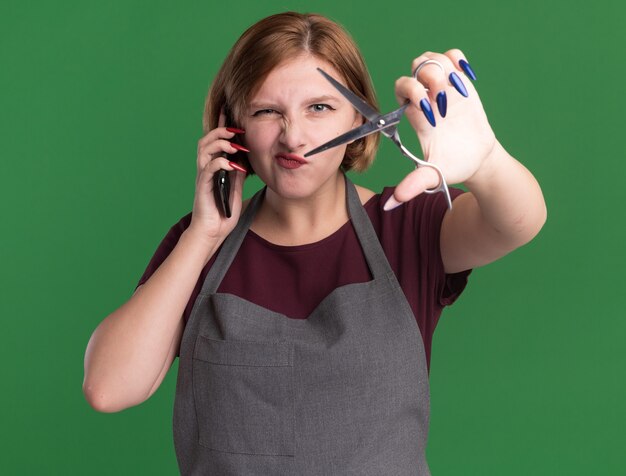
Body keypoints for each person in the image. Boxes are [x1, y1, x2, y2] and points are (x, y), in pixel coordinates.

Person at [83, 11, 546, 475]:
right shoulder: (200, 243)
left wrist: (487, 161)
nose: (294, 136)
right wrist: (203, 235)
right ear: (232, 124)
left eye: (319, 107)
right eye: (267, 111)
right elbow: (108, 387)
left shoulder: (409, 227)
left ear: (359, 115)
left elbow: (516, 223)